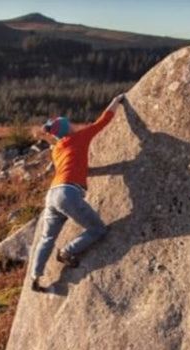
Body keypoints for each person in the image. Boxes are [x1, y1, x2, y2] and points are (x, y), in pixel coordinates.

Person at [30, 93, 125, 292]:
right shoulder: (79, 137)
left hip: (52, 194)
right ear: (67, 128)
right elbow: (103, 121)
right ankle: (67, 252)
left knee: (47, 238)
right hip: (68, 193)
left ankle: (35, 277)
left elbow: (70, 167)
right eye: (70, 123)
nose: (74, 125)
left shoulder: (56, 149)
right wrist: (116, 102)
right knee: (97, 229)